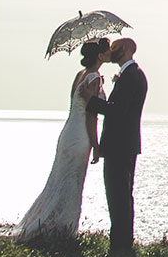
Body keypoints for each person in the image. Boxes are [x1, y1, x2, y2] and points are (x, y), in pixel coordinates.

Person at [15, 37, 109, 243]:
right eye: (107, 50)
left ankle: (49, 223)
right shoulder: (94, 78)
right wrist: (95, 145)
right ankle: (61, 229)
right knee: (72, 182)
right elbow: (92, 115)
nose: (110, 52)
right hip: (82, 134)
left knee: (59, 180)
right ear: (100, 55)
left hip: (68, 132)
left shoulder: (80, 75)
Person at [90, 37, 147, 256]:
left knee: (118, 195)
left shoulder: (131, 77)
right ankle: (121, 243)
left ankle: (120, 246)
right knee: (120, 195)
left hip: (120, 146)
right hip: (124, 145)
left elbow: (117, 110)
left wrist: (91, 101)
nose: (111, 50)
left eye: (115, 48)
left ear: (125, 50)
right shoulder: (131, 75)